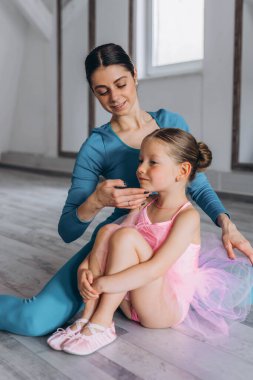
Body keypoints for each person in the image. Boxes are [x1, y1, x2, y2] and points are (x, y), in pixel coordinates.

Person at [0, 43, 253, 337]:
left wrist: (226, 223)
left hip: (166, 237)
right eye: (102, 91)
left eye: (121, 84)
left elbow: (197, 184)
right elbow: (67, 230)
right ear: (93, 92)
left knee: (241, 288)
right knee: (33, 320)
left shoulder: (170, 123)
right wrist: (96, 200)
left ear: (134, 75)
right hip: (122, 237)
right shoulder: (97, 145)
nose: (115, 97)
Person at [47, 128, 253, 355]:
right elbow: (108, 243)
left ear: (182, 170)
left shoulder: (187, 216)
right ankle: (87, 317)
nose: (140, 169)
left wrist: (105, 282)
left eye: (152, 162)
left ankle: (103, 323)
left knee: (126, 236)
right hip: (129, 299)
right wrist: (84, 269)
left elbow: (156, 269)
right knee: (108, 230)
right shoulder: (144, 204)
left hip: (163, 307)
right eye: (140, 160)